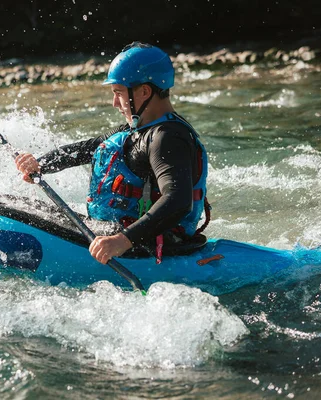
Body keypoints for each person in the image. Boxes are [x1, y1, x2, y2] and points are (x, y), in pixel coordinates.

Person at [15, 42, 210, 265]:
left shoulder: (167, 138)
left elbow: (178, 200)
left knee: (15, 215)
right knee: (15, 206)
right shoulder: (135, 130)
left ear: (144, 91)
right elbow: (85, 149)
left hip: (149, 245)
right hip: (122, 234)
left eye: (118, 93)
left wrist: (123, 240)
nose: (114, 103)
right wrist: (40, 164)